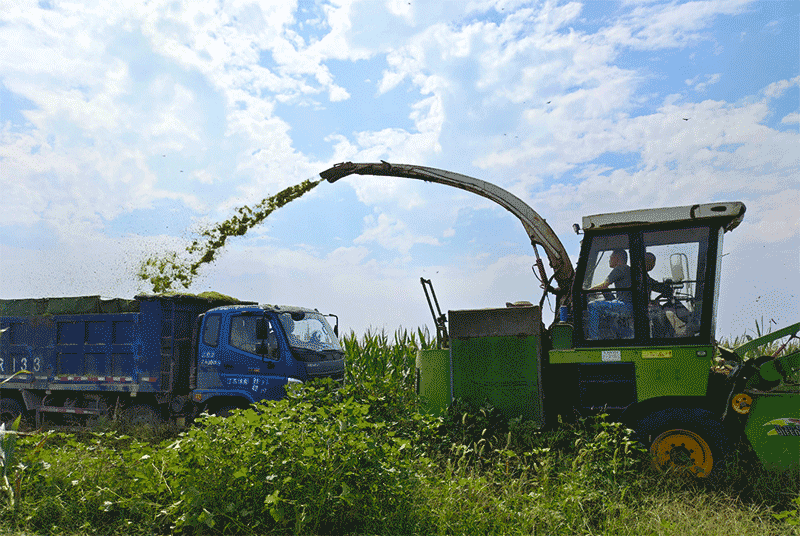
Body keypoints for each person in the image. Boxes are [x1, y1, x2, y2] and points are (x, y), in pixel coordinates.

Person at [586, 249, 632, 339]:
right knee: (607, 304)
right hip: (629, 306)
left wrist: (588, 291)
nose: (609, 260)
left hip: (625, 306)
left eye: (611, 257)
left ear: (617, 258)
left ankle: (593, 338)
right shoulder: (629, 270)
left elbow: (604, 284)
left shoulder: (619, 268)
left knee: (593, 305)